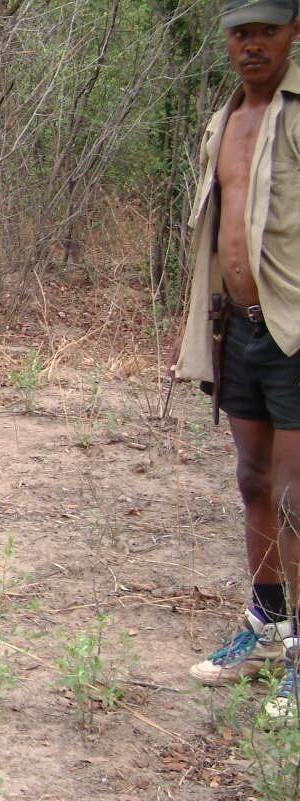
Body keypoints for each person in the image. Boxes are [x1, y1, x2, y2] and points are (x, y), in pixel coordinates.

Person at [177, 0, 300, 722]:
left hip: (294, 329)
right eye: (241, 33)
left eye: (268, 31)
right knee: (253, 480)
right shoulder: (222, 122)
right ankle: (266, 620)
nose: (253, 45)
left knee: (294, 496)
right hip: (239, 331)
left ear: (293, 32)